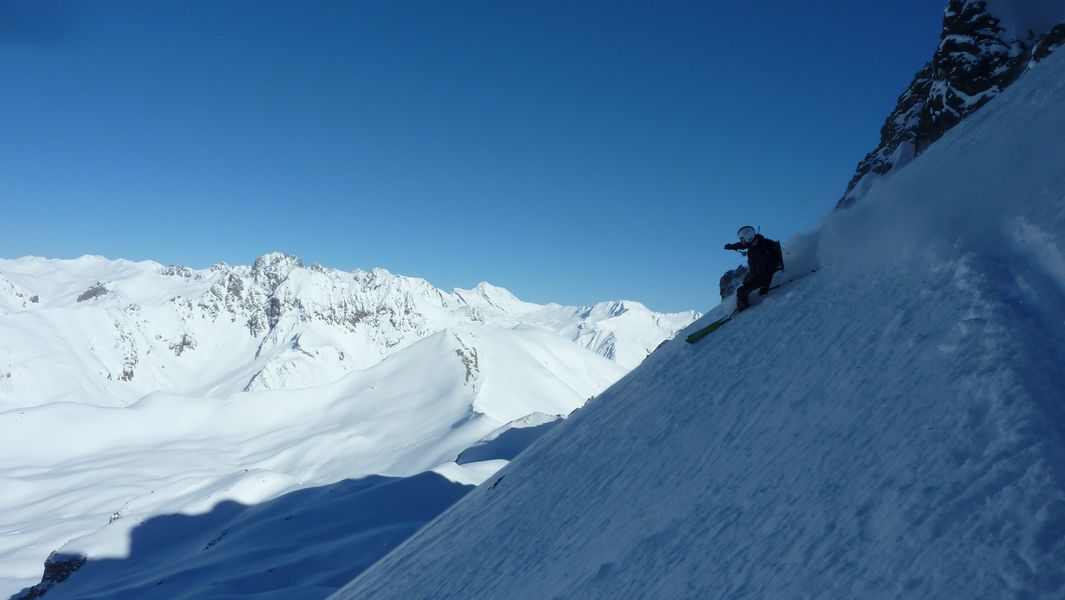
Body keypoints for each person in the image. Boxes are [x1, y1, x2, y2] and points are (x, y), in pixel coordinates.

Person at [724, 225, 783, 311]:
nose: (742, 241)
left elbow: (768, 269)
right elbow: (742, 245)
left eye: (743, 239)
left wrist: (765, 287)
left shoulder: (761, 250)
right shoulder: (756, 243)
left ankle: (743, 308)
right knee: (745, 282)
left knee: (741, 291)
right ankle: (742, 301)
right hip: (756, 272)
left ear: (748, 238)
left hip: (762, 276)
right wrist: (732, 246)